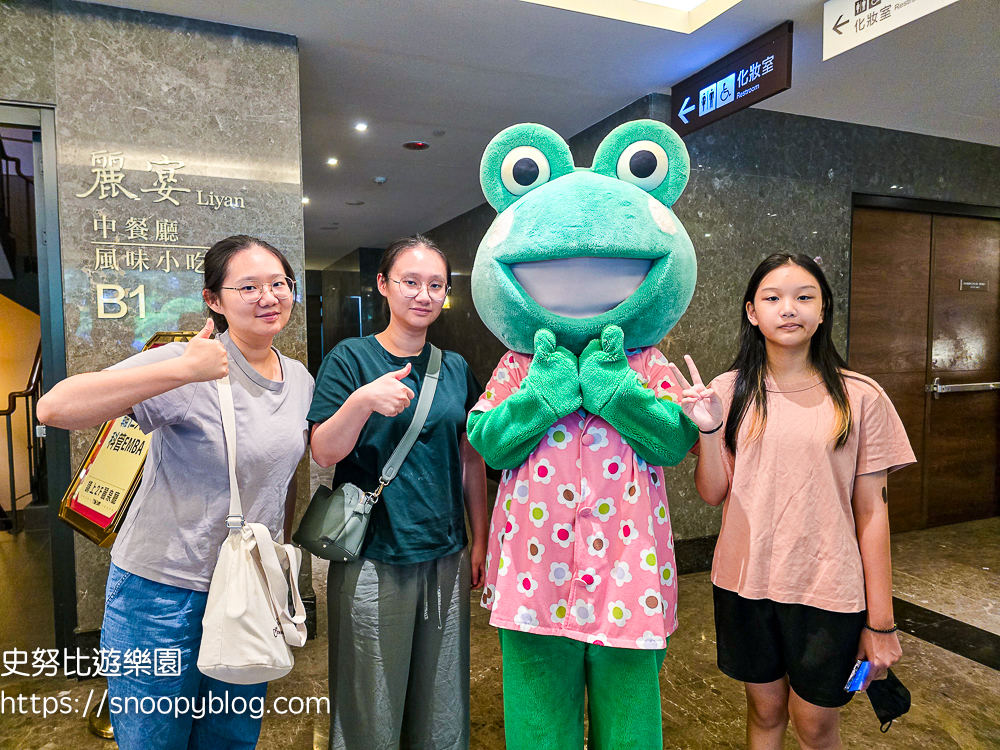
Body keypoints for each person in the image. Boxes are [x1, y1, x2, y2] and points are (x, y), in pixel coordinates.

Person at [37, 235, 313, 750]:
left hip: (247, 591)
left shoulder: (298, 378)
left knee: (230, 737)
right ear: (214, 299)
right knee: (152, 739)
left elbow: (282, 480)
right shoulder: (189, 363)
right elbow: (54, 408)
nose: (267, 297)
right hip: (161, 593)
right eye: (248, 286)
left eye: (279, 283)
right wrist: (178, 369)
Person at [672, 253, 915, 750]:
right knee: (764, 713)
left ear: (823, 312)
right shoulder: (726, 390)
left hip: (829, 591)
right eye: (773, 298)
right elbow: (712, 492)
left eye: (805, 297)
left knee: (816, 725)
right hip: (745, 584)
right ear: (750, 312)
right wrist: (710, 428)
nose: (790, 309)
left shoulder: (860, 396)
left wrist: (881, 624)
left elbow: (873, 514)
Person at [309, 234, 488, 750]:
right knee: (371, 693)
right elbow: (323, 451)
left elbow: (469, 457)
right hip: (372, 553)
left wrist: (481, 537)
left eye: (436, 285)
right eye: (410, 282)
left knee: (442, 693)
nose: (424, 295)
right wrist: (363, 400)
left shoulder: (454, 368)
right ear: (384, 286)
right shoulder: (351, 359)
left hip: (445, 551)